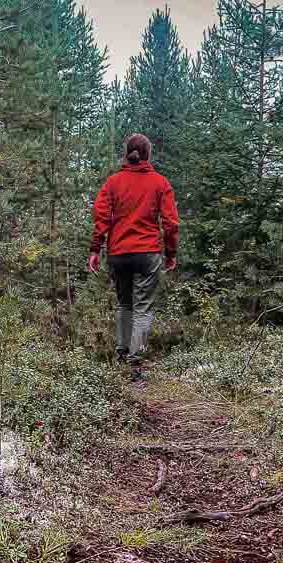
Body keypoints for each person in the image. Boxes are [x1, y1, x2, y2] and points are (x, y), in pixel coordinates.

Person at [88, 133, 179, 383]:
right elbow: (171, 224)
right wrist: (171, 253)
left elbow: (101, 219)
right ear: (148, 155)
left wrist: (95, 250)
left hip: (118, 253)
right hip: (148, 254)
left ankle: (120, 354)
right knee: (142, 308)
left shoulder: (112, 183)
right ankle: (135, 364)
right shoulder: (160, 183)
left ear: (127, 154)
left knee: (123, 304)